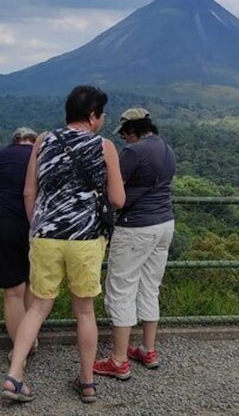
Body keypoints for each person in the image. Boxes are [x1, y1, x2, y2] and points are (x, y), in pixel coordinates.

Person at [0, 85, 125, 404]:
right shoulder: (104, 146)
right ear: (94, 116)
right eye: (102, 114)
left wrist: (38, 225)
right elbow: (118, 199)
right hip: (85, 240)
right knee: (84, 311)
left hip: (45, 236)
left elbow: (29, 192)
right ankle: (86, 382)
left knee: (38, 306)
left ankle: (14, 375)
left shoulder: (43, 140)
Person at [94, 108, 176, 380]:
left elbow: (113, 188)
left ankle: (118, 360)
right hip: (165, 223)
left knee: (121, 288)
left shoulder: (133, 152)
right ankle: (147, 349)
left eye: (126, 134)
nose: (125, 139)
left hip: (137, 226)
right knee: (150, 286)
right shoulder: (167, 149)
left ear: (132, 130)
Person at [0, 126, 38, 355]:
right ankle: (31, 340)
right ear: (33, 141)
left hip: (5, 223)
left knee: (13, 291)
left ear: (15, 140)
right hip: (37, 225)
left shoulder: (1, 155)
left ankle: (19, 347)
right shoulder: (42, 153)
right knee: (31, 284)